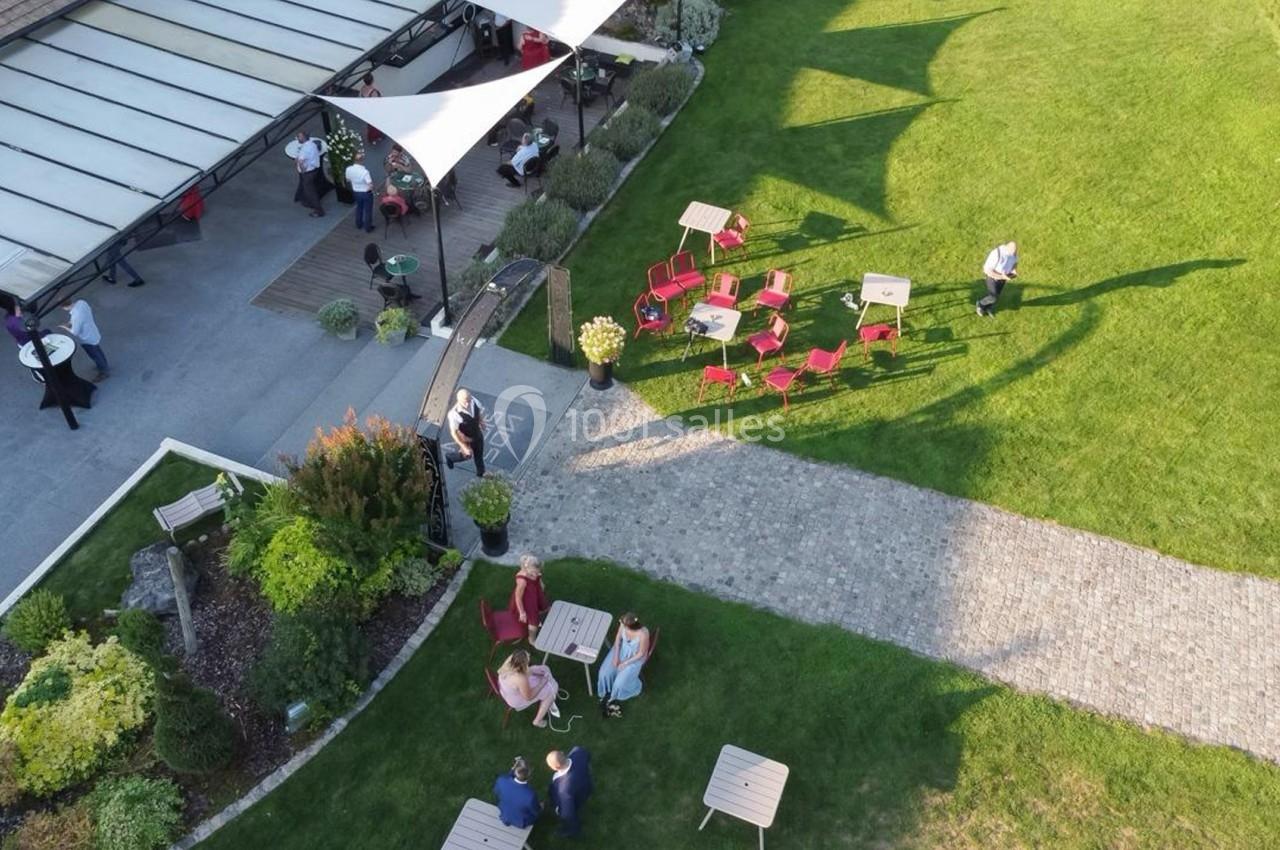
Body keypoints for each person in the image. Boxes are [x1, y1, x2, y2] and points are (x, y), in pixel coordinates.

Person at [596, 612, 650, 705]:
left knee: (619, 684)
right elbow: (617, 640)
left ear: (631, 626)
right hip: (621, 650)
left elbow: (641, 653)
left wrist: (625, 663)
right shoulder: (623, 625)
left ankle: (615, 694)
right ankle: (606, 691)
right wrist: (616, 657)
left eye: (624, 624)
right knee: (603, 673)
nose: (621, 624)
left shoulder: (643, 634)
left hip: (635, 658)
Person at [497, 650, 560, 728]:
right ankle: (537, 721)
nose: (529, 660)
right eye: (528, 661)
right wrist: (542, 683)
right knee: (552, 688)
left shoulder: (510, 661)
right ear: (523, 665)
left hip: (506, 689)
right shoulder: (520, 678)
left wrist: (533, 672)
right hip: (516, 698)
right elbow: (529, 697)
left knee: (544, 668)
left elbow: (525, 671)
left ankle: (549, 695)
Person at [546, 747, 593, 838]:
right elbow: (587, 755)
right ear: (562, 753)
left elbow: (568, 812)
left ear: (556, 767)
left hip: (577, 798)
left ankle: (573, 830)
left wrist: (558, 810)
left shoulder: (563, 789)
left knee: (570, 819)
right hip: (587, 786)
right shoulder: (578, 752)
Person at [59, 299, 109, 381]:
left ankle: (103, 371)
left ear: (64, 307)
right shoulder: (81, 303)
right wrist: (71, 322)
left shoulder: (76, 315)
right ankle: (103, 365)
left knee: (95, 354)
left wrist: (65, 327)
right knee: (98, 351)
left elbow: (75, 332)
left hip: (86, 338)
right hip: (92, 332)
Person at [508, 554, 550, 642]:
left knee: (543, 605)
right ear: (526, 569)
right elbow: (518, 597)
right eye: (534, 573)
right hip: (527, 599)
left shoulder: (534, 571)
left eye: (538, 572)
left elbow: (538, 576)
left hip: (535, 591)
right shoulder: (522, 580)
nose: (536, 574)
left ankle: (543, 614)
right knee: (533, 621)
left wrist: (540, 582)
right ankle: (532, 639)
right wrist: (522, 612)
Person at [444, 388, 486, 475]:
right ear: (459, 400)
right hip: (466, 438)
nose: (467, 404)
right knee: (467, 455)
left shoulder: (474, 401)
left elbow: (478, 413)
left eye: (469, 401)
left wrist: (481, 422)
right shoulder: (454, 414)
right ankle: (450, 457)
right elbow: (454, 432)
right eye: (464, 402)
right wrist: (464, 446)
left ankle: (481, 473)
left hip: (477, 434)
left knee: (479, 455)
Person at [493, 756, 541, 828]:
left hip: (504, 812)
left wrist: (512, 770)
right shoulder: (530, 795)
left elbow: (496, 791)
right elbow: (535, 811)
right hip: (521, 821)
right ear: (530, 776)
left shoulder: (501, 780)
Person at [977, 240, 1018, 317]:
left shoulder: (1013, 253)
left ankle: (988, 307)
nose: (1014, 255)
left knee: (997, 295)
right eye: (1012, 253)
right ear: (1007, 248)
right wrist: (1001, 276)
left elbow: (1015, 262)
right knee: (993, 297)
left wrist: (1014, 270)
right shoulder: (996, 254)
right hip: (993, 278)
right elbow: (987, 270)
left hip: (1003, 278)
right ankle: (980, 304)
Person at [293, 131, 325, 217]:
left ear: (303, 138)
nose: (297, 138)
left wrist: (302, 171)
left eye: (299, 137)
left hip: (308, 173)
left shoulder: (305, 149)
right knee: (310, 189)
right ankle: (310, 203)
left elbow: (301, 161)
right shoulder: (312, 144)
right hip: (314, 169)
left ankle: (318, 210)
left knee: (310, 191)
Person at [345, 150, 375, 233]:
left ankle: (358, 224)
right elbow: (370, 185)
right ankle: (368, 227)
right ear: (362, 160)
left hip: (356, 192)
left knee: (359, 208)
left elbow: (348, 180)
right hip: (366, 193)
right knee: (368, 210)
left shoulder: (348, 169)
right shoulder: (365, 172)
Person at [359, 72, 384, 145]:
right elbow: (377, 102)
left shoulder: (362, 88)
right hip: (374, 111)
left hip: (366, 110)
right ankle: (377, 137)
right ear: (372, 80)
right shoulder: (374, 91)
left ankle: (371, 138)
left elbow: (360, 98)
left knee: (370, 125)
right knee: (376, 125)